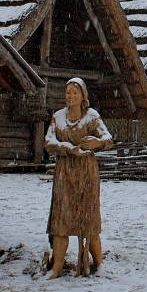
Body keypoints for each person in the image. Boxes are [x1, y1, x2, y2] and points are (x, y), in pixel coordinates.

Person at [45, 77, 113, 279]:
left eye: (75, 93)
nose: (70, 96)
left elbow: (108, 139)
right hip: (64, 173)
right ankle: (57, 266)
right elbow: (48, 141)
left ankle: (99, 264)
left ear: (83, 95)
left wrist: (97, 143)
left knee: (89, 220)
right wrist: (67, 148)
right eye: (68, 93)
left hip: (87, 173)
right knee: (61, 221)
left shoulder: (92, 117)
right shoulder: (58, 117)